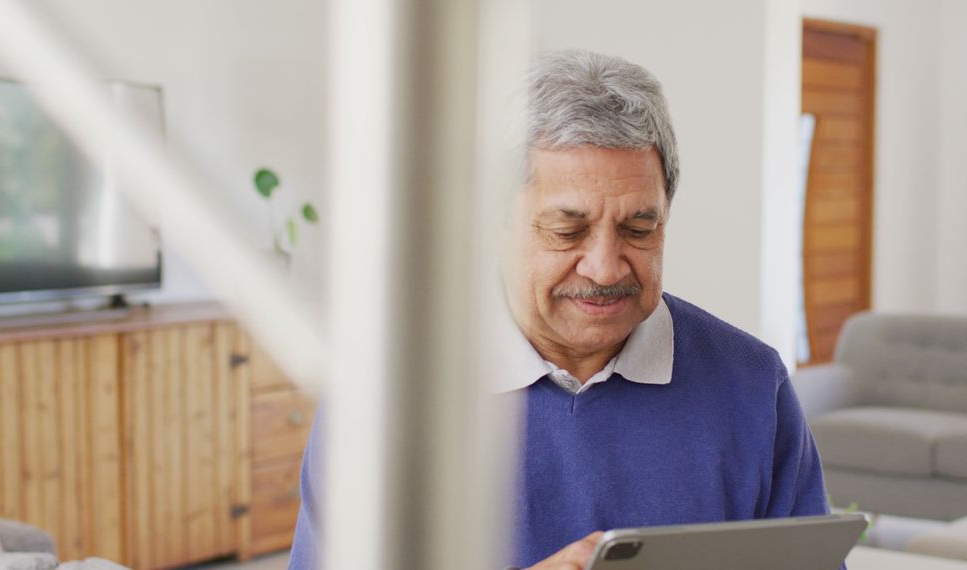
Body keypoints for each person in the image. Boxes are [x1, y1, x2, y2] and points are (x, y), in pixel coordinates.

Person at [289, 49, 833, 570]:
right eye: (566, 230)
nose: (605, 268)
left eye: (639, 229)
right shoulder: (385, 392)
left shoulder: (753, 384)